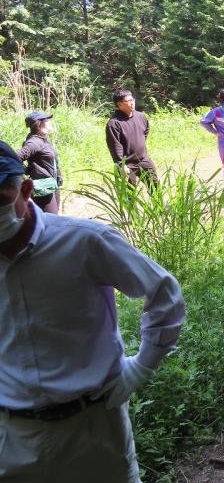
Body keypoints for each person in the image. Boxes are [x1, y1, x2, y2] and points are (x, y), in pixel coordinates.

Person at [0, 141, 185, 482]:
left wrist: (141, 368)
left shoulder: (83, 241)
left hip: (94, 427)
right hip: (11, 438)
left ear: (25, 190)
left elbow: (163, 292)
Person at [105, 89, 158, 189]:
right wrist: (121, 165)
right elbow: (114, 145)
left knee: (155, 188)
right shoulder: (114, 123)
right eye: (128, 101)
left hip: (143, 159)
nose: (132, 103)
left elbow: (145, 132)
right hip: (127, 164)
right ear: (119, 104)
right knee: (130, 193)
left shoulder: (141, 116)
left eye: (132, 100)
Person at [17, 111, 62, 214]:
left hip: (52, 185)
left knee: (54, 217)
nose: (49, 122)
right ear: (39, 124)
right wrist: (26, 171)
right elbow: (16, 158)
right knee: (51, 219)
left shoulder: (42, 139)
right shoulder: (34, 142)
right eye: (46, 120)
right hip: (43, 188)